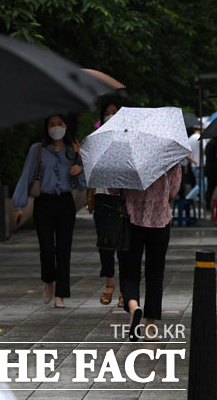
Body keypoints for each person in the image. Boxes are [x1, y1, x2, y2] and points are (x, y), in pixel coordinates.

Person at [12, 115, 86, 308]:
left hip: (65, 203)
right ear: (46, 127)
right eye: (52, 125)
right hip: (44, 202)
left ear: (66, 126)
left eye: (60, 124)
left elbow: (83, 184)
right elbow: (26, 176)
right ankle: (49, 280)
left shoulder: (72, 150)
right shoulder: (37, 150)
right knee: (46, 247)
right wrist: (18, 206)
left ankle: (61, 294)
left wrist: (80, 164)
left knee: (63, 249)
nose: (56, 128)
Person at [114, 163, 181, 342]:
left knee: (129, 271)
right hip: (160, 221)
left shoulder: (127, 157)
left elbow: (113, 189)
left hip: (131, 221)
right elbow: (173, 192)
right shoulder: (170, 156)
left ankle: (134, 305)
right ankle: (150, 327)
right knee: (155, 273)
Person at [87, 101, 124, 307]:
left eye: (114, 112)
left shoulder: (128, 140)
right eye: (107, 113)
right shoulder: (95, 141)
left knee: (124, 245)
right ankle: (109, 282)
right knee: (105, 244)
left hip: (123, 198)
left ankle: (125, 290)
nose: (110, 116)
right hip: (102, 197)